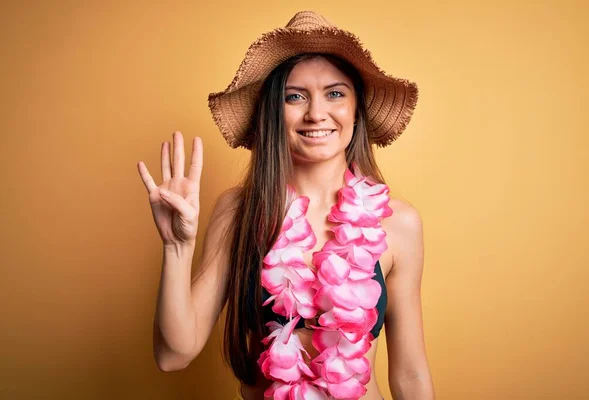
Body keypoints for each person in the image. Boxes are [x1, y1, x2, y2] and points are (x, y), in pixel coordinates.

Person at [137, 10, 435, 400]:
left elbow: (411, 375)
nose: (316, 113)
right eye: (294, 96)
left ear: (356, 109)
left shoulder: (398, 223)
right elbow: (173, 355)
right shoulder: (239, 212)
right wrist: (177, 248)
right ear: (272, 112)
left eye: (335, 93)